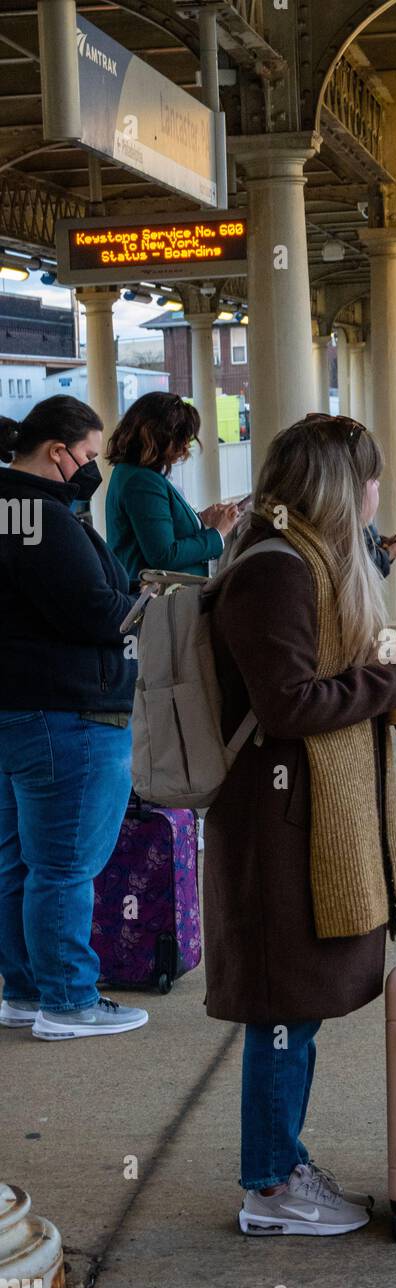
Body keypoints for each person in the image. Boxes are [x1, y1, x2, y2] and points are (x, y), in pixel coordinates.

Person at [203, 412, 396, 1237]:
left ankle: (280, 1164)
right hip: (276, 825)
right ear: (344, 486)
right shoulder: (278, 571)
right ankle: (268, 1185)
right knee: (280, 1007)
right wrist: (387, 681)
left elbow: (317, 684)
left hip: (294, 812)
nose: (379, 492)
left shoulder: (299, 558)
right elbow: (289, 701)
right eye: (370, 477)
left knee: (292, 1005)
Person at [0, 398, 148, 1041]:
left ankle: (25, 990)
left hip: (15, 709)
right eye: (87, 456)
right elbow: (93, 612)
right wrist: (144, 603)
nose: (91, 467)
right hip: (69, 711)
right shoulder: (46, 518)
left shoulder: (7, 509)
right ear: (57, 452)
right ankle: (68, 1001)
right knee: (64, 866)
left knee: (18, 863)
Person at [105, 392, 238, 586]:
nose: (185, 448)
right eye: (180, 439)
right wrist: (218, 533)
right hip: (159, 599)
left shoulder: (132, 473)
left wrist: (201, 519)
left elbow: (156, 528)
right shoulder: (143, 481)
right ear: (158, 436)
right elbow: (163, 555)